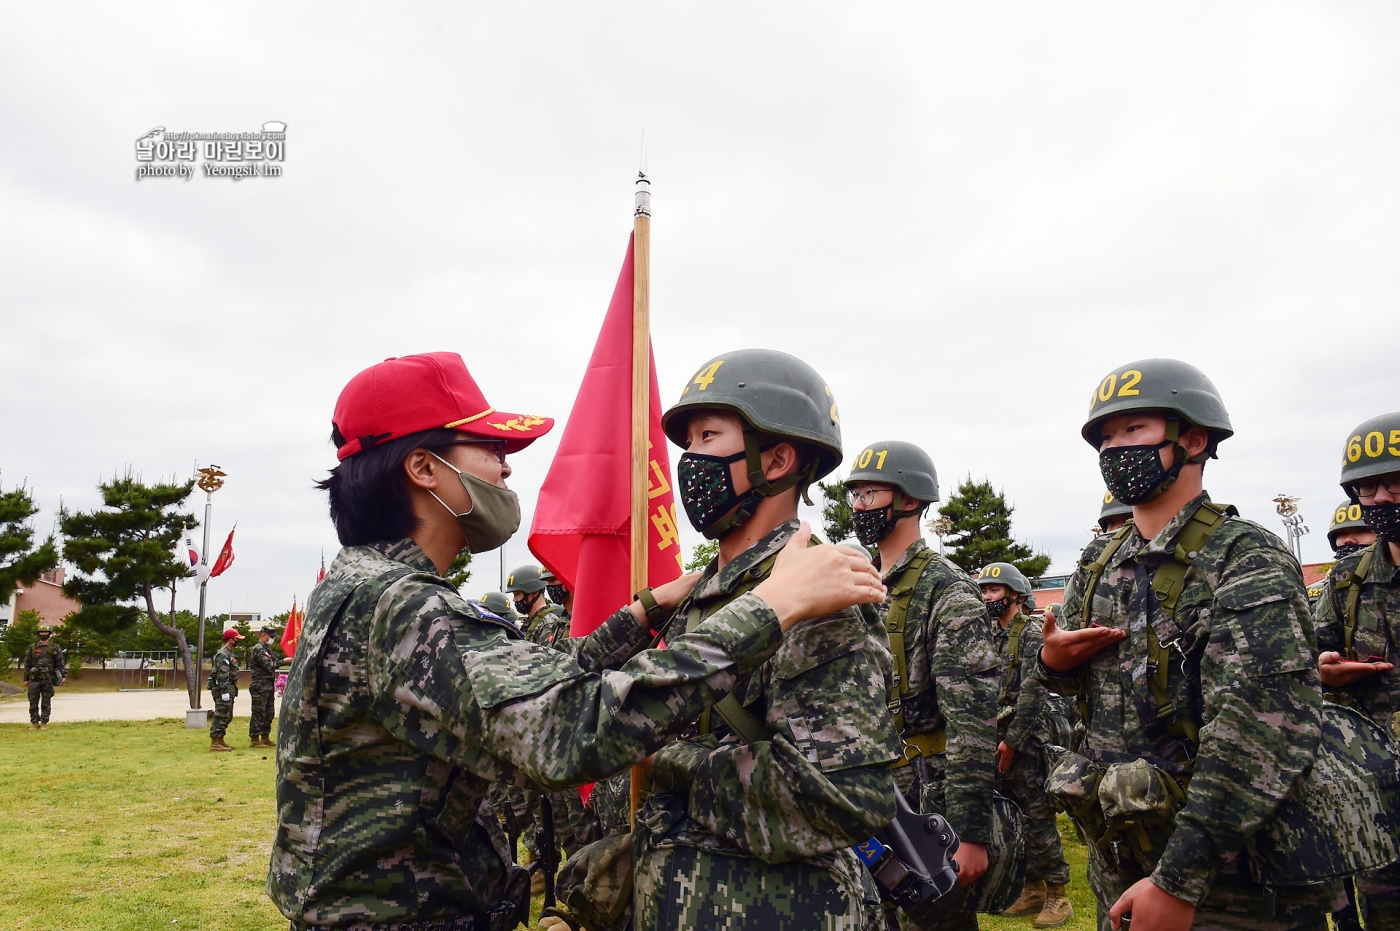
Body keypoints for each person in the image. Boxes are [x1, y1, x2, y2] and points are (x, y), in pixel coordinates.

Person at [268, 351, 884, 930]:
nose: (506, 466)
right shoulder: (400, 606)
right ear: (425, 469)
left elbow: (537, 683)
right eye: (490, 447)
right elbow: (564, 725)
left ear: (776, 461)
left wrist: (644, 611)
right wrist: (769, 608)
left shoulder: (366, 586)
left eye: (707, 439)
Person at [1036, 358, 1328, 931]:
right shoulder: (1100, 563)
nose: (1115, 448)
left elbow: (1263, 730)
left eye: (1133, 430)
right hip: (1121, 855)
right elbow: (1066, 676)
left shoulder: (1246, 558)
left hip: (1228, 874)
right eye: (1105, 437)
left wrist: (1179, 879)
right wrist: (1052, 662)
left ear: (1192, 439)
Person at [630, 349, 901, 931]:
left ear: (776, 459)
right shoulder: (712, 591)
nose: (689, 461)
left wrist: (661, 760)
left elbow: (837, 797)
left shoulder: (817, 595)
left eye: (708, 437)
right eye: (689, 443)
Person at [843, 439, 998, 930]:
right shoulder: (857, 580)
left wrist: (971, 832)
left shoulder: (946, 589)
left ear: (909, 500)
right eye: (856, 495)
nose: (859, 506)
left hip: (924, 801)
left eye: (871, 494)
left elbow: (972, 721)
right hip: (866, 791)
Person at [1314, 412, 1400, 929]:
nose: (1384, 498)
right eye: (1369, 487)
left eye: (1396, 482)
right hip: (1377, 790)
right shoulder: (1349, 578)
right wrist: (1322, 670)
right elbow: (1311, 655)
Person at [977, 563, 1072, 929]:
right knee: (1014, 815)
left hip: (1026, 743)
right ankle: (1031, 888)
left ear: (1015, 594)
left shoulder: (1030, 635)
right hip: (997, 740)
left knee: (1037, 817)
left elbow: (1032, 693)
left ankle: (1058, 894)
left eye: (994, 591)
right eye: (984, 591)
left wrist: (1013, 742)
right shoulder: (990, 635)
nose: (988, 597)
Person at [505, 562, 599, 888]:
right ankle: (569, 882)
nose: (517, 598)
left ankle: (587, 889)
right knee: (562, 818)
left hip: (576, 732)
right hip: (552, 733)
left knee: (581, 821)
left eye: (519, 592)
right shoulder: (545, 624)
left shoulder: (555, 623)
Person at [248, 624, 286, 748]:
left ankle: (265, 736)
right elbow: (269, 665)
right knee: (259, 712)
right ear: (263, 635)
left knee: (269, 712)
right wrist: (284, 662)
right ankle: (255, 738)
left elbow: (273, 661)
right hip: (260, 685)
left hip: (268, 685)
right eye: (270, 636)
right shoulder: (258, 648)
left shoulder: (267, 649)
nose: (272, 638)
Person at [24, 624, 65, 730]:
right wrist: (26, 678)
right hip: (34, 679)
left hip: (48, 678)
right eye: (41, 632)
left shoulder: (54, 647)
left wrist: (63, 676)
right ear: (38, 634)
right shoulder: (32, 647)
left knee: (46, 702)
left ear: (49, 634)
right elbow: (27, 664)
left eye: (45, 632)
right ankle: (34, 723)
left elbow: (60, 663)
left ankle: (44, 723)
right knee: (33, 702)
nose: (43, 634)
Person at [209, 628, 243, 752]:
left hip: (229, 687)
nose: (238, 641)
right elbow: (222, 674)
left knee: (227, 715)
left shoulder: (229, 653)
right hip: (224, 689)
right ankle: (215, 742)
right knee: (221, 714)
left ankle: (220, 740)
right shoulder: (222, 654)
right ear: (231, 640)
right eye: (236, 639)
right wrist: (224, 692)